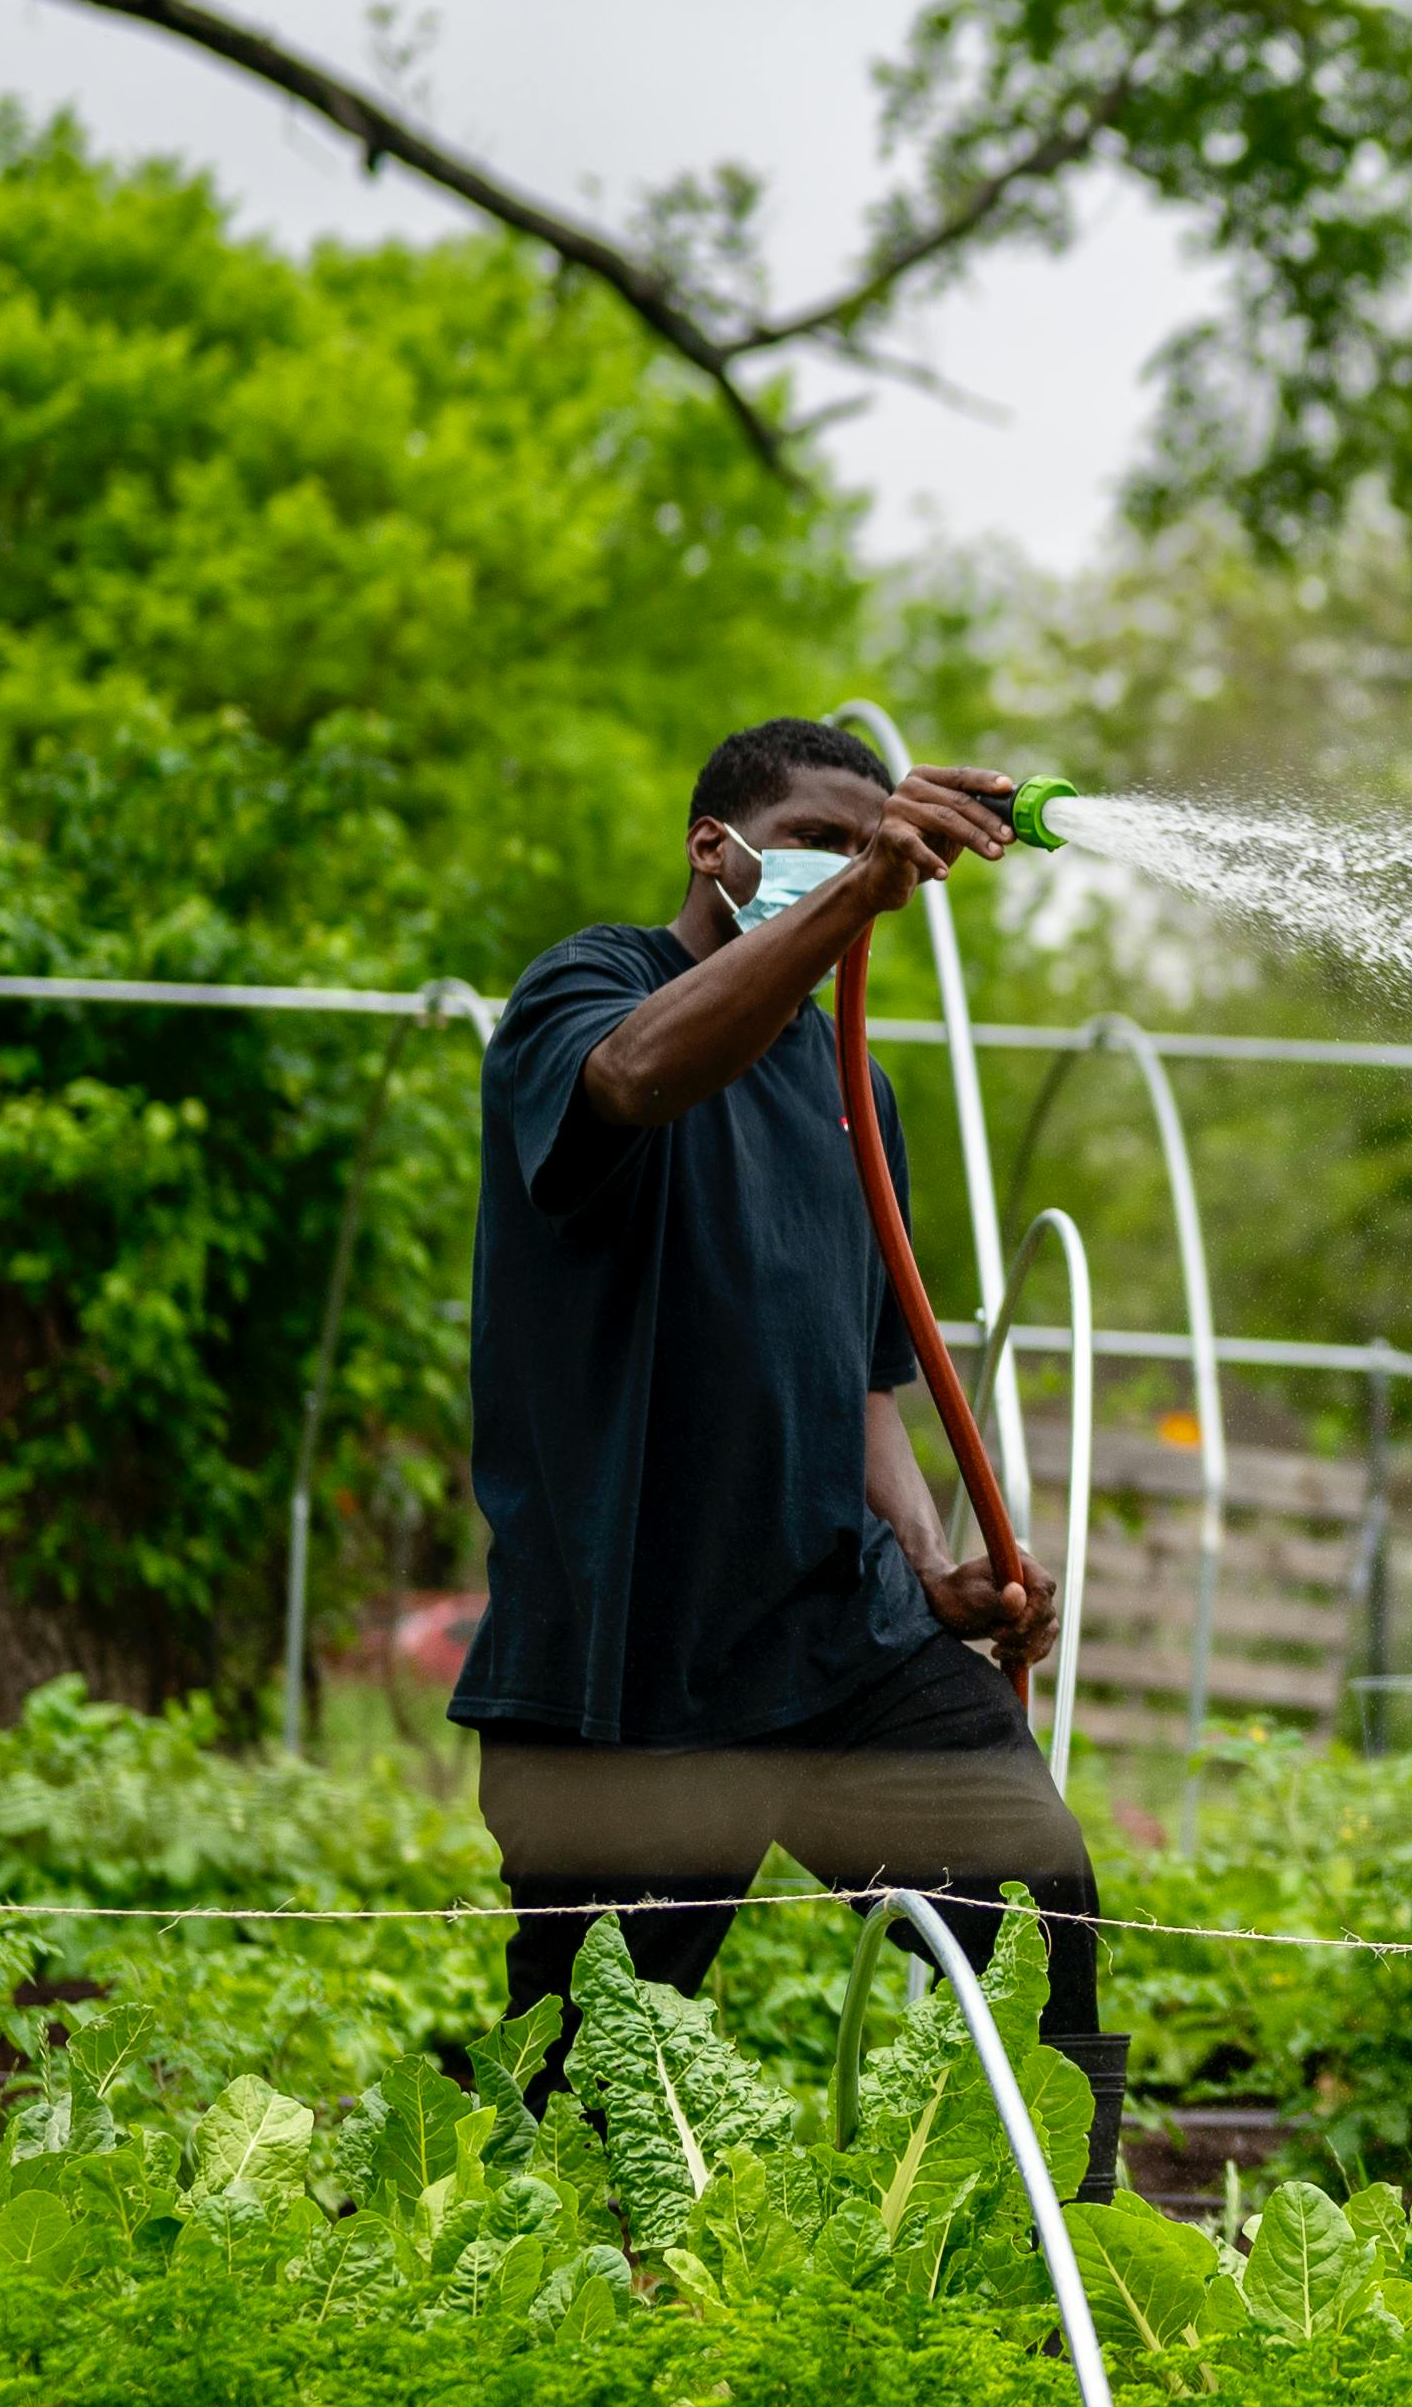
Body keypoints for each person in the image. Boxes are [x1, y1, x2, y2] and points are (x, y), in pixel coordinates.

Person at [449, 716, 1123, 2183]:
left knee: (1033, 1883)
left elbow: (866, 1376)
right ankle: (566, 2313)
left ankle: (1062, 2244)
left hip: (834, 1640)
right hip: (629, 1657)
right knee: (599, 2066)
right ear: (716, 848)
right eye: (818, 838)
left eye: (865, 844)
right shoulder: (596, 984)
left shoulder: (850, 1085)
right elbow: (628, 1082)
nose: (847, 868)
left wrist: (931, 1565)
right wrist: (850, 900)